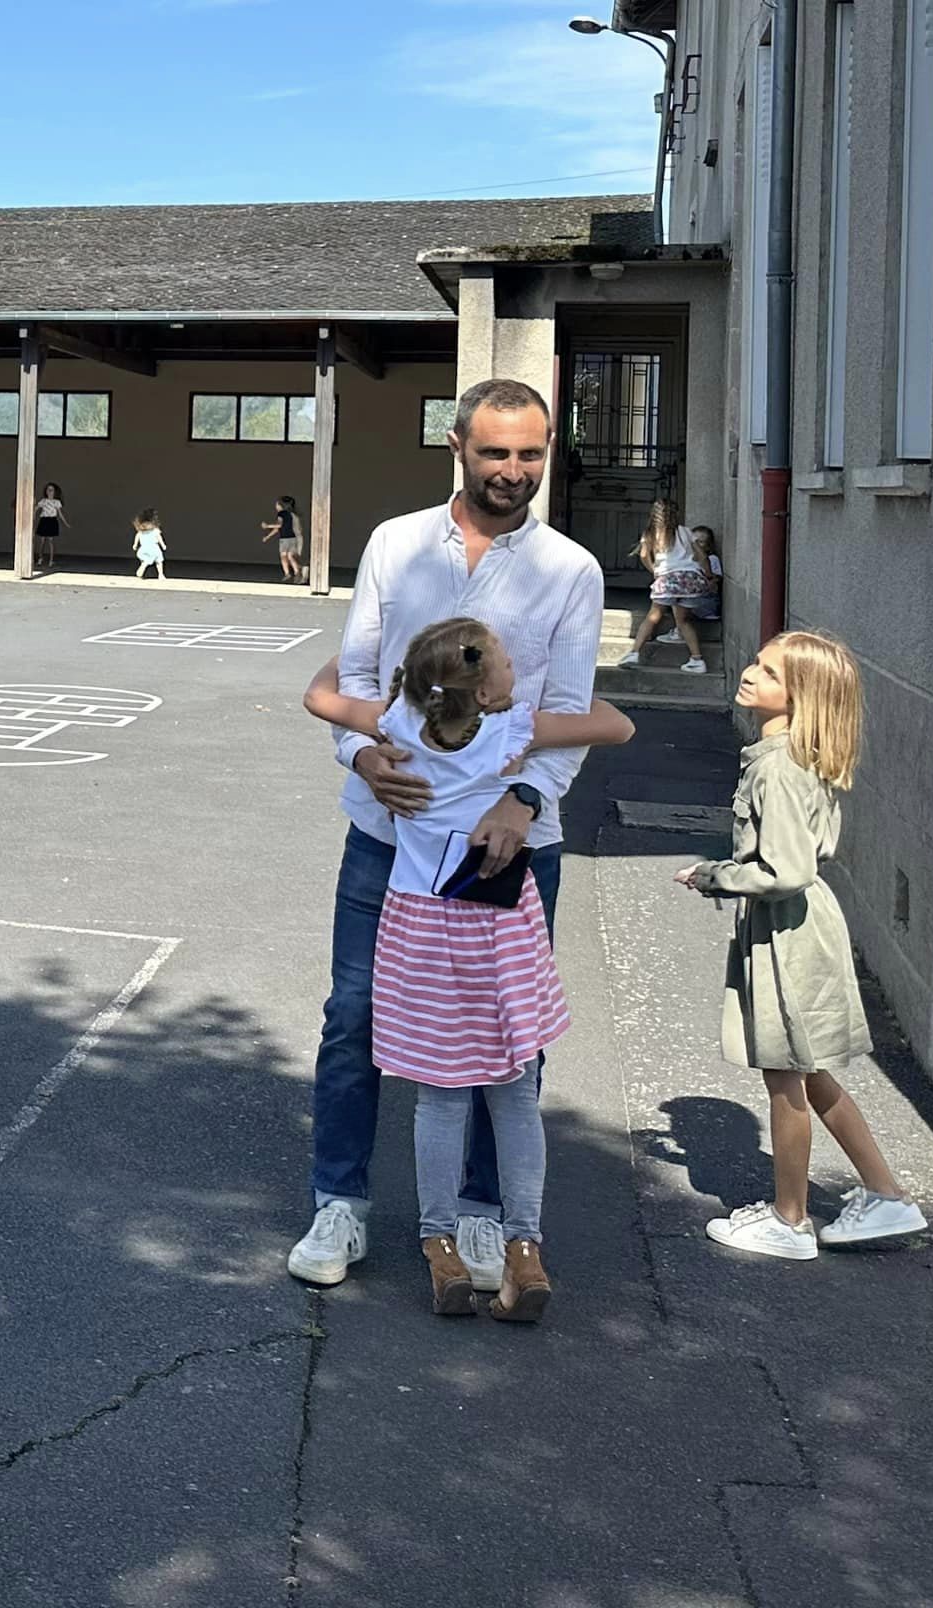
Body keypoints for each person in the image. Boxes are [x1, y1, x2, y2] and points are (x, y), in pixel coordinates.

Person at [289, 377, 605, 1294]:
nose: (513, 469)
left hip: (507, 857)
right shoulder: (395, 544)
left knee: (508, 1038)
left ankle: (482, 1213)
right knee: (355, 1016)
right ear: (457, 446)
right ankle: (340, 1202)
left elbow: (568, 708)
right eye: (495, 451)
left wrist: (526, 801)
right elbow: (355, 676)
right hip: (386, 837)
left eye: (531, 453)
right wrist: (361, 755)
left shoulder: (571, 570)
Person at [307, 627, 632, 1317]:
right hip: (500, 931)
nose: (518, 669)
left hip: (423, 934)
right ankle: (523, 1247)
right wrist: (532, 727)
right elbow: (615, 724)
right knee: (513, 1090)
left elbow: (321, 695)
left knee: (441, 1096)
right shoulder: (514, 730)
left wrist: (359, 657)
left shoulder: (400, 726)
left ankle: (440, 1245)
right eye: (509, 663)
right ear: (484, 692)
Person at [681, 633, 928, 1259]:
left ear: (802, 697)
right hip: (794, 924)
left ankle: (789, 1221)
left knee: (785, 1074)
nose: (750, 673)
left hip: (787, 929)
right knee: (807, 1071)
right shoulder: (790, 756)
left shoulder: (778, 768)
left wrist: (715, 875)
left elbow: (785, 870)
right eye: (757, 663)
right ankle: (886, 1194)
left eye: (769, 673)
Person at [617, 499, 711, 673]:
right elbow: (702, 556)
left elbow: (643, 555)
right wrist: (708, 574)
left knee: (653, 616)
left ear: (654, 515)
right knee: (683, 621)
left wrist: (654, 570)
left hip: (668, 579)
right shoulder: (685, 531)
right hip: (690, 579)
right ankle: (697, 660)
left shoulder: (650, 533)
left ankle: (634, 653)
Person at [261, 494, 305, 584]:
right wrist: (268, 536)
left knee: (284, 556)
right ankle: (297, 573)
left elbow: (279, 526)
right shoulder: (292, 515)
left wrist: (267, 526)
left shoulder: (282, 514)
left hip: (286, 539)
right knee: (290, 556)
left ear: (281, 505)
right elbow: (279, 528)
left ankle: (288, 573)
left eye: (277, 504)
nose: (275, 506)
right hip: (293, 539)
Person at [34, 482, 69, 570]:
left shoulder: (56, 502)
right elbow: (35, 509)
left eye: (51, 490)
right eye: (48, 490)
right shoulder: (43, 501)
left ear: (54, 492)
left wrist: (65, 523)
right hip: (44, 520)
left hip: (52, 521)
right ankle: (40, 558)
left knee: (51, 541)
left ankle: (51, 560)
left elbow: (60, 514)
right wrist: (32, 516)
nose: (49, 491)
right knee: (42, 541)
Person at [132, 508, 168, 580]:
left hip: (144, 548)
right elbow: (159, 538)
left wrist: (135, 544)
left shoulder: (141, 532)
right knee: (159, 561)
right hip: (154, 549)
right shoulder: (155, 531)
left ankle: (144, 565)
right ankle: (160, 574)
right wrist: (163, 545)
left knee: (144, 559)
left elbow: (137, 537)